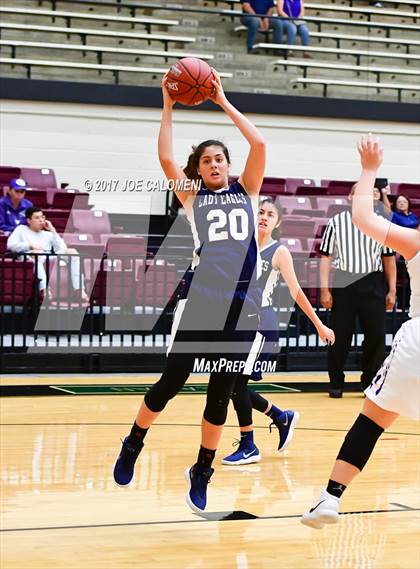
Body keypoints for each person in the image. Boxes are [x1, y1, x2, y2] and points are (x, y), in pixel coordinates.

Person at [113, 70, 266, 513]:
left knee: (219, 396)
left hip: (243, 307)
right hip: (203, 302)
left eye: (220, 159)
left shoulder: (248, 191)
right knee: (171, 383)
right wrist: (167, 103)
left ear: (228, 165)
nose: (215, 164)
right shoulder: (194, 198)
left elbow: (259, 145)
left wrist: (222, 100)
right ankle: (133, 440)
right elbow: (164, 157)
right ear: (197, 170)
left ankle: (202, 469)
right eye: (206, 161)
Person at [301, 135, 419, 529]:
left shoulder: (416, 241)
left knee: (371, 421)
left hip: (417, 343)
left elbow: (363, 219)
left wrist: (369, 170)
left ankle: (330, 498)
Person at [222, 199, 335, 465]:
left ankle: (249, 444)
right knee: (228, 383)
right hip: (237, 321)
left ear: (278, 222)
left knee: (235, 382)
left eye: (270, 214)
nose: (263, 217)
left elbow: (296, 291)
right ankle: (280, 417)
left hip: (260, 322)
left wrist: (319, 324)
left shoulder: (279, 251)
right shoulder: (242, 246)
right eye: (260, 212)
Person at [320, 185, 396, 398]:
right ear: (350, 196)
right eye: (358, 191)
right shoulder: (336, 222)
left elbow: (388, 259)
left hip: (373, 282)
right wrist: (325, 290)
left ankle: (370, 383)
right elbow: (325, 258)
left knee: (376, 337)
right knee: (339, 337)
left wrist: (392, 290)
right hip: (345, 281)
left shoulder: (381, 224)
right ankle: (336, 383)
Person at [7, 206, 89, 301]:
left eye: (42, 217)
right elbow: (11, 245)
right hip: (29, 257)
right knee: (36, 255)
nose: (41, 220)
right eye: (37, 218)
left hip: (46, 256)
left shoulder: (48, 234)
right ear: (29, 220)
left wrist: (52, 230)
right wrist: (29, 246)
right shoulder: (21, 229)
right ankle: (44, 289)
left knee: (72, 253)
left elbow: (61, 248)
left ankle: (79, 289)